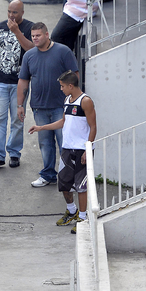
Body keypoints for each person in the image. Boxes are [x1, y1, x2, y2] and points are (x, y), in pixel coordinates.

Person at [28, 71, 97, 234]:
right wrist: (41, 127)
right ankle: (71, 211)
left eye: (62, 86)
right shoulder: (67, 100)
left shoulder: (86, 102)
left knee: (81, 186)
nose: (61, 89)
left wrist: (88, 148)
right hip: (67, 148)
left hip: (82, 150)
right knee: (64, 183)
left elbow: (93, 126)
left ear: (71, 86)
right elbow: (64, 122)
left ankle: (83, 217)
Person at [17, 22, 79, 187]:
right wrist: (20, 105)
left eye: (38, 35)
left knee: (64, 143)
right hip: (39, 108)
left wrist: (74, 103)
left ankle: (69, 177)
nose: (35, 39)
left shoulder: (63, 51)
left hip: (61, 107)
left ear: (46, 35)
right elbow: (23, 80)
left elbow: (75, 76)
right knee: (45, 143)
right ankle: (48, 174)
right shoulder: (29, 56)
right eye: (33, 36)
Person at [0, 0, 34, 168]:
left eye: (15, 12)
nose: (11, 15)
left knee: (18, 119)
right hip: (1, 81)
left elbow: (32, 49)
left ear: (22, 13)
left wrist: (17, 32)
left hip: (21, 82)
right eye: (9, 11)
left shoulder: (30, 28)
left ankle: (14, 152)